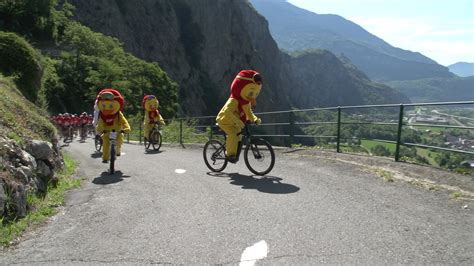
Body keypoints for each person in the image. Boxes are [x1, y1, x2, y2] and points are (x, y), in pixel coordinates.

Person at [216, 70, 262, 163]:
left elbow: (249, 112)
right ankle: (229, 155)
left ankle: (234, 154)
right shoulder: (233, 101)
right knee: (233, 134)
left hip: (235, 123)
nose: (252, 97)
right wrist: (238, 122)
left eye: (255, 94)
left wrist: (255, 119)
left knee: (239, 136)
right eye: (250, 93)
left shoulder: (245, 102)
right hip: (224, 120)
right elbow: (227, 112)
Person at [95, 88, 131, 163]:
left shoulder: (118, 114)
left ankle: (117, 151)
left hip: (117, 131)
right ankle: (105, 158)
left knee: (120, 140)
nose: (107, 109)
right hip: (107, 132)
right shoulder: (102, 116)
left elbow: (124, 121)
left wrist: (126, 128)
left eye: (111, 106)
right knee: (105, 144)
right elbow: (101, 123)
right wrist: (99, 129)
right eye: (104, 106)